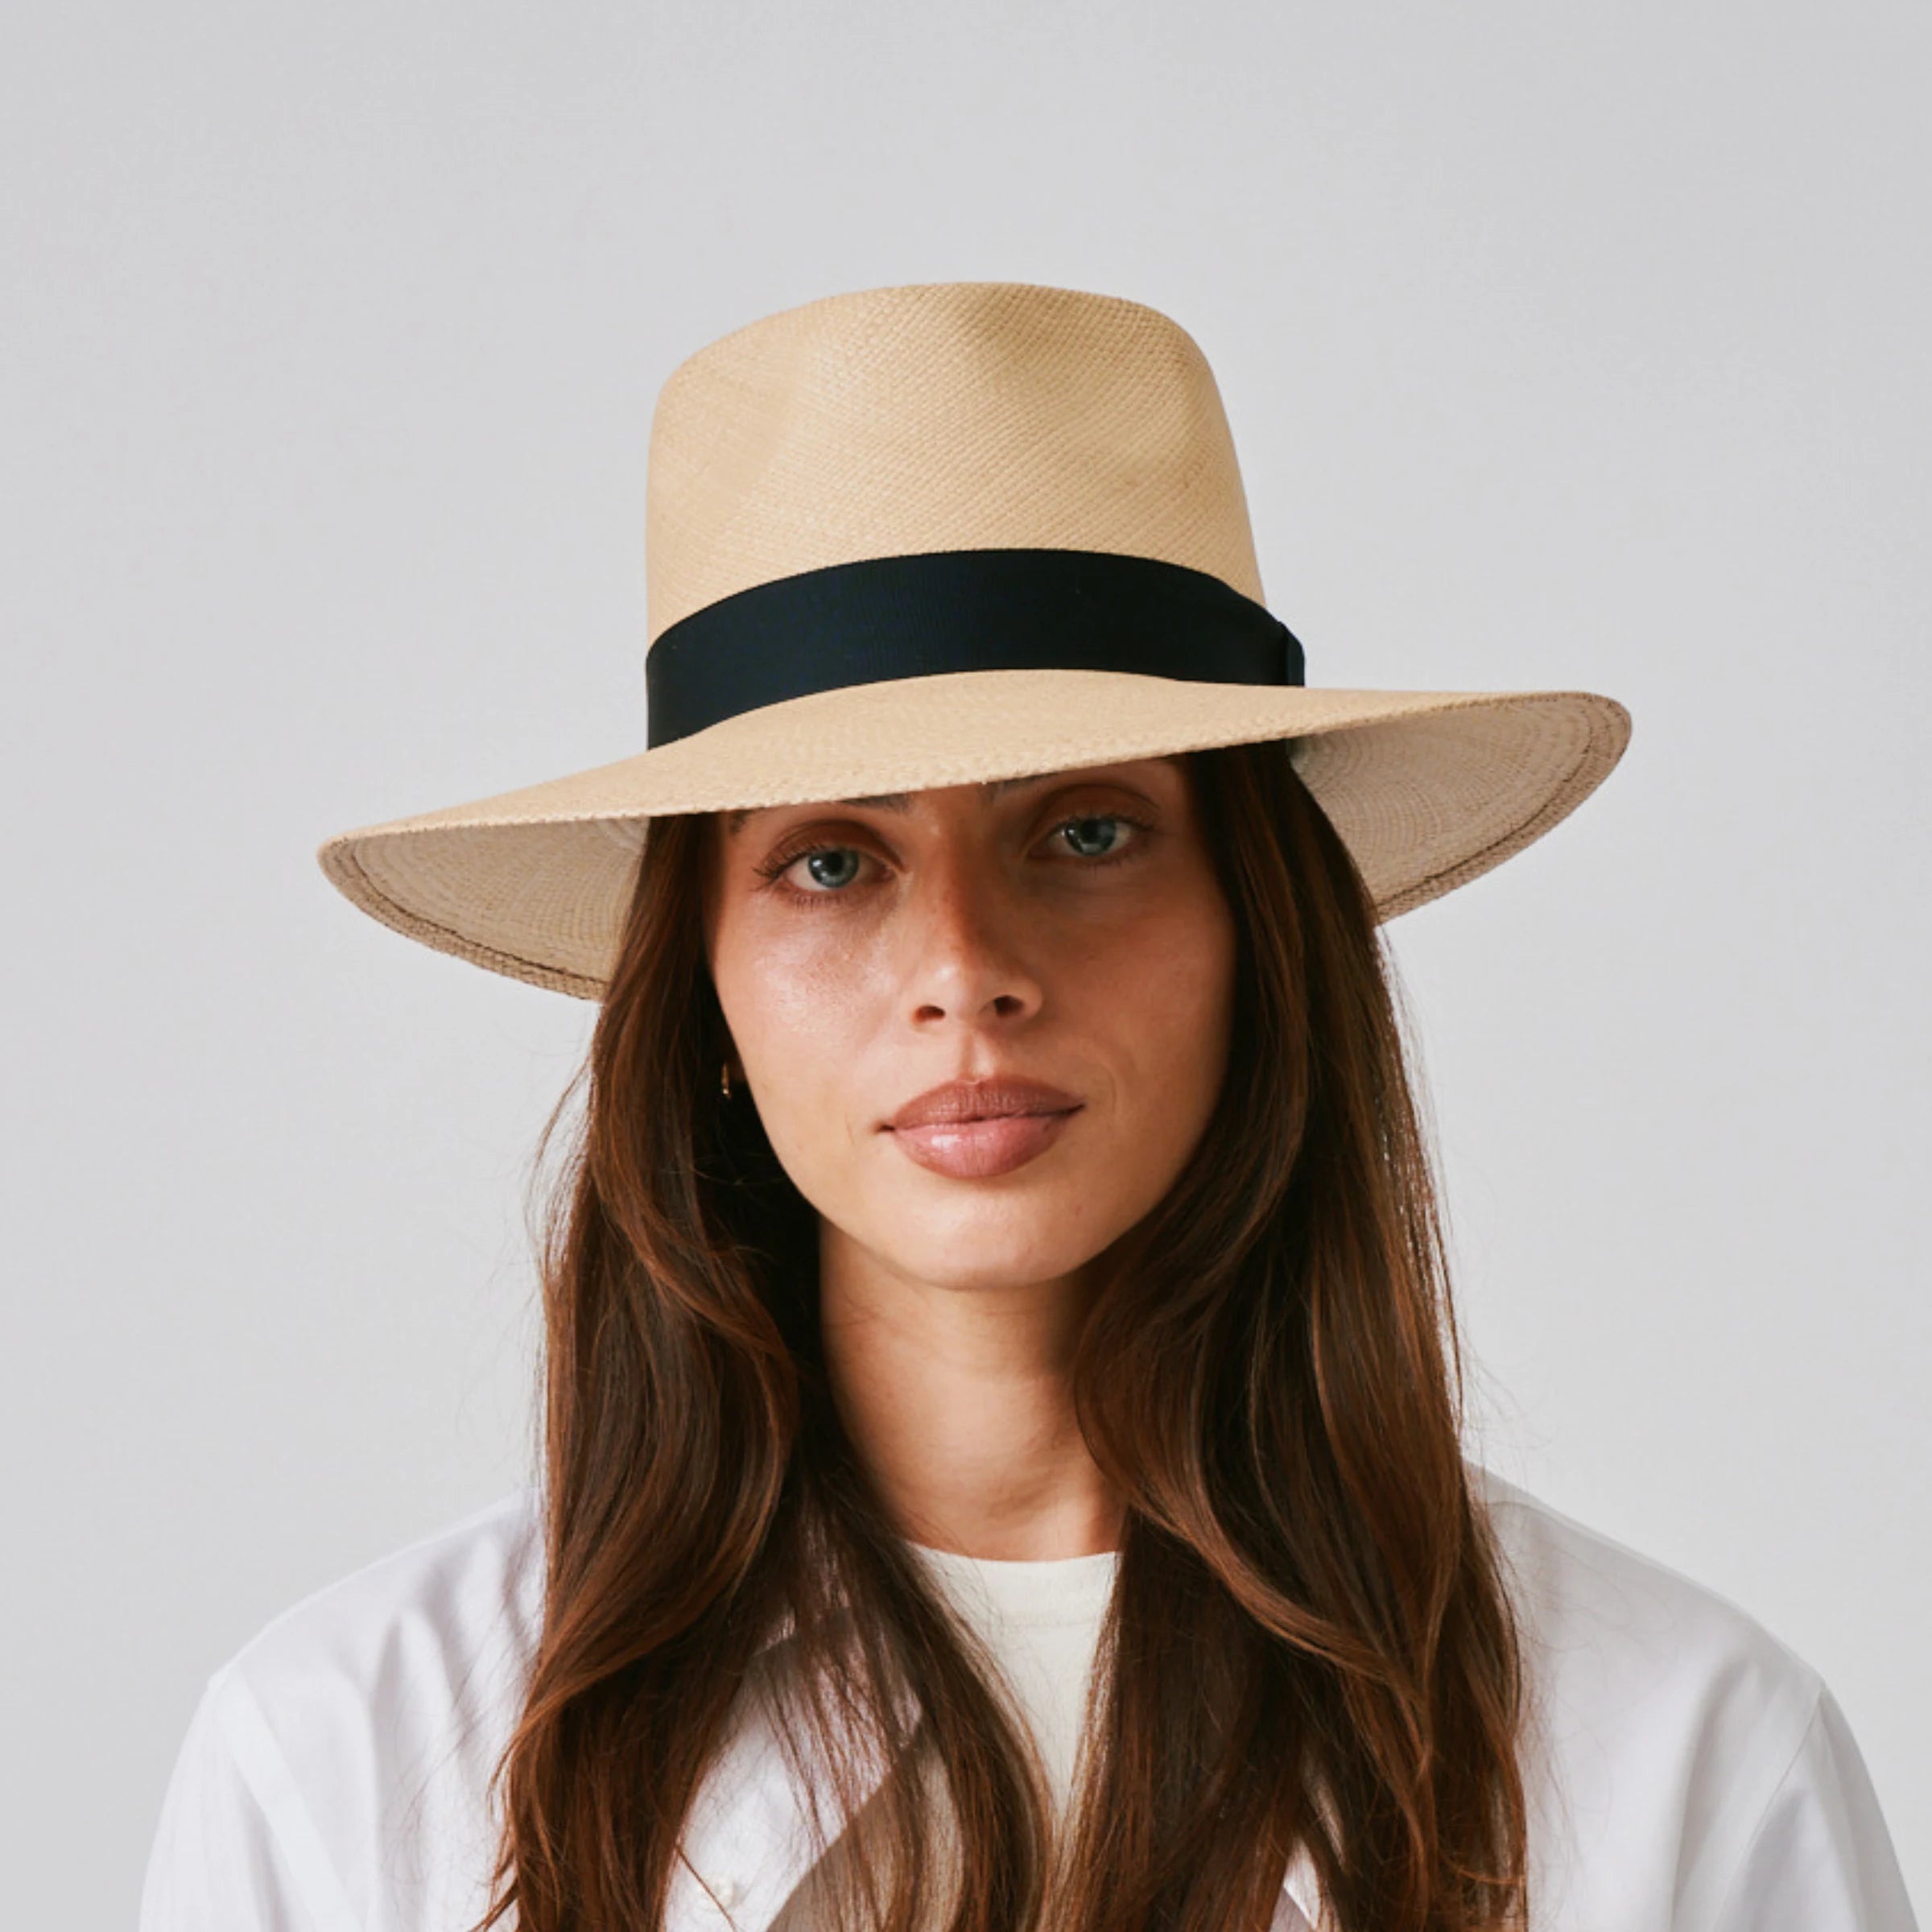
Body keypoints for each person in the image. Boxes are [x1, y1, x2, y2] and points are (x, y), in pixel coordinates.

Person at [138, 281, 1918, 1932]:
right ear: (701, 983)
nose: (966, 969)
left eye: (1085, 830)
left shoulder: (1678, 1751)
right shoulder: (349, 1763)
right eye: (832, 862)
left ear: (1255, 920)